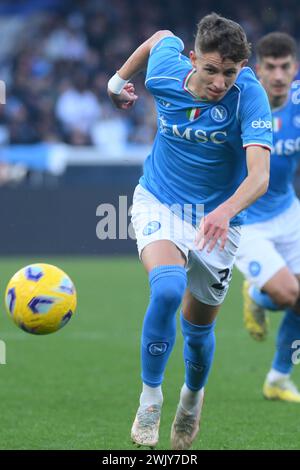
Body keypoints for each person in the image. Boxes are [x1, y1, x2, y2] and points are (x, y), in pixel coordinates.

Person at [107, 13, 271, 450]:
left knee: (198, 334)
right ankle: (150, 398)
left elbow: (259, 177)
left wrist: (223, 211)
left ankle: (191, 401)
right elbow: (159, 37)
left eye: (230, 73)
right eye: (211, 69)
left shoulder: (248, 96)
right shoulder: (165, 70)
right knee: (166, 289)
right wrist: (116, 80)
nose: (220, 82)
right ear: (193, 58)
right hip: (160, 200)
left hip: (220, 220)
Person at [235, 32, 300, 402]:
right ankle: (258, 295)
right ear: (258, 69)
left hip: (288, 211)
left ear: (294, 68)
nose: (278, 75)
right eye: (271, 67)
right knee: (286, 292)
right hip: (248, 221)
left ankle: (278, 377)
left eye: (285, 67)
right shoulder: (240, 100)